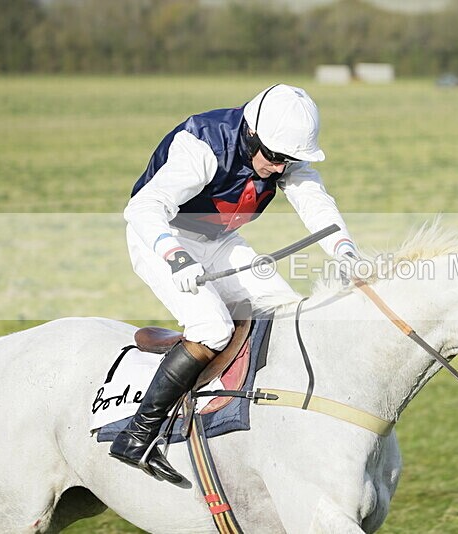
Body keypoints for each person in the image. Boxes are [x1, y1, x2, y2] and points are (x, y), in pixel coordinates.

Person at [109, 84, 359, 483]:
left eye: (288, 160)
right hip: (160, 237)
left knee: (287, 311)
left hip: (219, 241)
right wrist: (175, 256)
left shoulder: (280, 152)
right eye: (276, 158)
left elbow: (315, 202)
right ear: (251, 135)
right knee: (212, 327)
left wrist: (345, 250)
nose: (280, 169)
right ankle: (137, 436)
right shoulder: (203, 145)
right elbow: (142, 208)